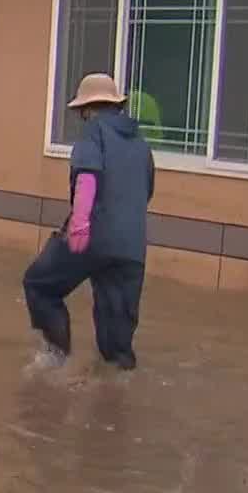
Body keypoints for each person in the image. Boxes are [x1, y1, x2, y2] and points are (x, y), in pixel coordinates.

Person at [22, 73, 155, 369]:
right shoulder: (142, 144)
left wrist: (80, 222)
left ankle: (54, 360)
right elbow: (146, 192)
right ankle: (117, 387)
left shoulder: (94, 132)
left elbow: (87, 176)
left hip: (93, 234)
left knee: (39, 284)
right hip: (132, 247)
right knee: (116, 335)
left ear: (88, 108)